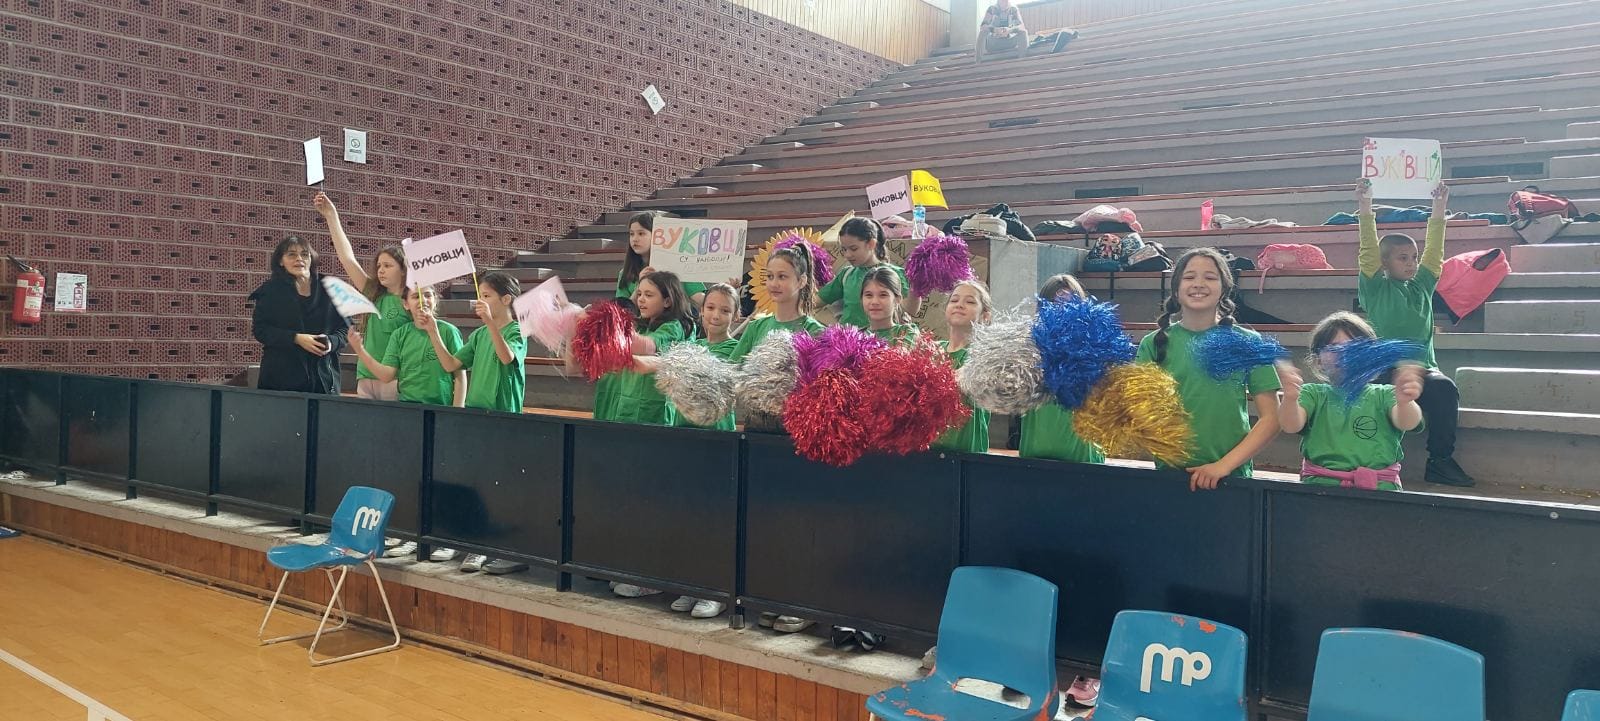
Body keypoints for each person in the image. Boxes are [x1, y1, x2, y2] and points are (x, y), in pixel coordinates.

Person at [1356, 179, 1475, 487]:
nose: (1411, 263)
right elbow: (1368, 249)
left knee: (1445, 389)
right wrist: (1365, 205)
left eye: (1413, 257)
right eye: (1402, 258)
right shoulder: (1375, 288)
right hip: (1384, 370)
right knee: (1369, 395)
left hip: (1423, 370)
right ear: (1384, 263)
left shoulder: (1422, 286)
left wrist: (1439, 207)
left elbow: (1434, 252)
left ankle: (1440, 461)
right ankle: (1372, 459)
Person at [1135, 248, 1281, 491]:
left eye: (1210, 277)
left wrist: (1223, 466)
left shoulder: (1248, 342)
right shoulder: (1152, 343)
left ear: (1224, 289)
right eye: (1189, 277)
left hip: (1230, 478)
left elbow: (1272, 418)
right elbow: (1139, 412)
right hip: (1169, 477)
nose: (1199, 284)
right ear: (1176, 288)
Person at [421, 271, 530, 574]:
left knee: (498, 485)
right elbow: (450, 364)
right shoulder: (479, 335)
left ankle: (490, 547)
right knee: (473, 481)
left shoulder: (517, 331)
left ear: (506, 299)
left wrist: (491, 323)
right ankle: (468, 541)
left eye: (487, 295)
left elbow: (507, 358)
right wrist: (433, 332)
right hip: (476, 415)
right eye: (480, 294)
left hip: (503, 418)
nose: (480, 300)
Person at [1277, 312, 1424, 491]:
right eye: (1334, 348)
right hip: (1319, 488)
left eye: (1355, 347)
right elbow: (1290, 425)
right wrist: (1290, 398)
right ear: (1318, 361)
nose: (1344, 353)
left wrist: (1405, 402)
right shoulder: (1313, 393)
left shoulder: (1385, 394)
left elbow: (1408, 422)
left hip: (1381, 490)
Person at [315, 192, 408, 401]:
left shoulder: (411, 301)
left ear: (403, 269)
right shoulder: (373, 293)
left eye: (388, 265)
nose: (381, 270)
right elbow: (347, 258)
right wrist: (331, 216)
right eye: (379, 265)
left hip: (396, 378)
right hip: (366, 375)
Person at [1019, 274, 1107, 465]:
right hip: (1035, 453)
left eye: (1069, 304)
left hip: (1083, 457)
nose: (1061, 310)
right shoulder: (1029, 345)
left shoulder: (1097, 344)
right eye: (1054, 304)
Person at [250, 236, 348, 394]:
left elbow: (346, 329)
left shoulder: (331, 288)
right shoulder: (270, 291)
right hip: (281, 380)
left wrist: (331, 342)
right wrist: (296, 338)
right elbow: (261, 330)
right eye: (291, 254)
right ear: (281, 261)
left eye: (304, 254)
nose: (299, 259)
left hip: (323, 380)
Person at [348, 284, 467, 408]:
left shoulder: (449, 331)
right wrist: (360, 350)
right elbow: (386, 375)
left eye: (428, 295)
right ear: (406, 304)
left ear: (435, 301)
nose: (423, 300)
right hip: (408, 405)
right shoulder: (399, 334)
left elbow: (460, 376)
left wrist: (457, 411)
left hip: (440, 406)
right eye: (416, 297)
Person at [729, 244, 827, 362]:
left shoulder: (815, 331)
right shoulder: (755, 327)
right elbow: (732, 368)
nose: (774, 284)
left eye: (782, 276)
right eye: (770, 276)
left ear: (801, 281)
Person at [816, 218, 917, 330]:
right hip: (850, 338)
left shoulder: (896, 274)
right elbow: (815, 301)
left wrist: (917, 286)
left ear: (871, 244)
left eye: (853, 249)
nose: (847, 255)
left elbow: (911, 310)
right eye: (844, 250)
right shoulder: (847, 274)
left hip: (885, 338)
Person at [931, 279, 993, 454]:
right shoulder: (931, 351)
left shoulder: (985, 354)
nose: (959, 305)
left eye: (970, 302)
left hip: (968, 456)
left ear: (985, 316)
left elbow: (965, 378)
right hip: (928, 453)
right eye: (954, 300)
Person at [620, 212, 709, 306]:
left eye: (641, 233)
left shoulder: (680, 266)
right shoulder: (625, 273)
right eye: (631, 234)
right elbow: (620, 310)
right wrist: (640, 285)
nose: (634, 239)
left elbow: (700, 299)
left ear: (658, 235)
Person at [860, 267, 920, 346]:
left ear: (897, 299)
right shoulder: (856, 337)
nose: (874, 302)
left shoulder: (907, 333)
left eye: (883, 295)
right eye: (869, 295)